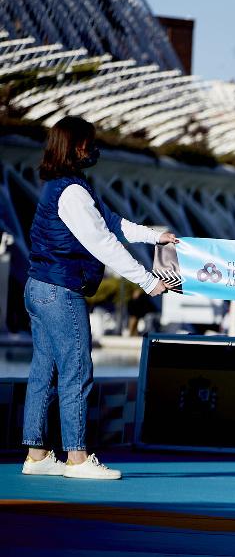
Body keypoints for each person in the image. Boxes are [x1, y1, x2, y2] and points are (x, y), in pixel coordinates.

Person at [21, 116, 176, 481]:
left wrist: (155, 238)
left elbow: (113, 223)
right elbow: (103, 243)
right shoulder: (72, 192)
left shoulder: (68, 186)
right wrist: (148, 282)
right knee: (76, 370)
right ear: (75, 148)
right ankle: (77, 458)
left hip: (40, 288)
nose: (93, 150)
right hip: (60, 291)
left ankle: (37, 454)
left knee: (45, 370)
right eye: (88, 143)